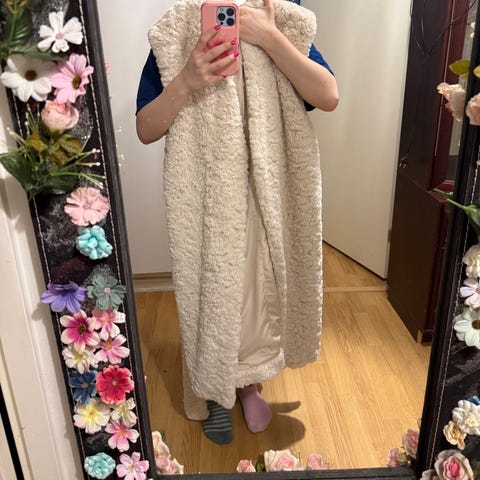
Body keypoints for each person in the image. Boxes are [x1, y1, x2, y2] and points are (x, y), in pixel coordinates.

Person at [136, 0, 338, 445]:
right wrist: (187, 80)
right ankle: (213, 391)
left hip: (269, 189)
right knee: (212, 291)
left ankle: (248, 385)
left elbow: (327, 95)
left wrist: (270, 38)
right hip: (208, 194)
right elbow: (146, 128)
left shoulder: (279, 19)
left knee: (256, 293)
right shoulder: (180, 28)